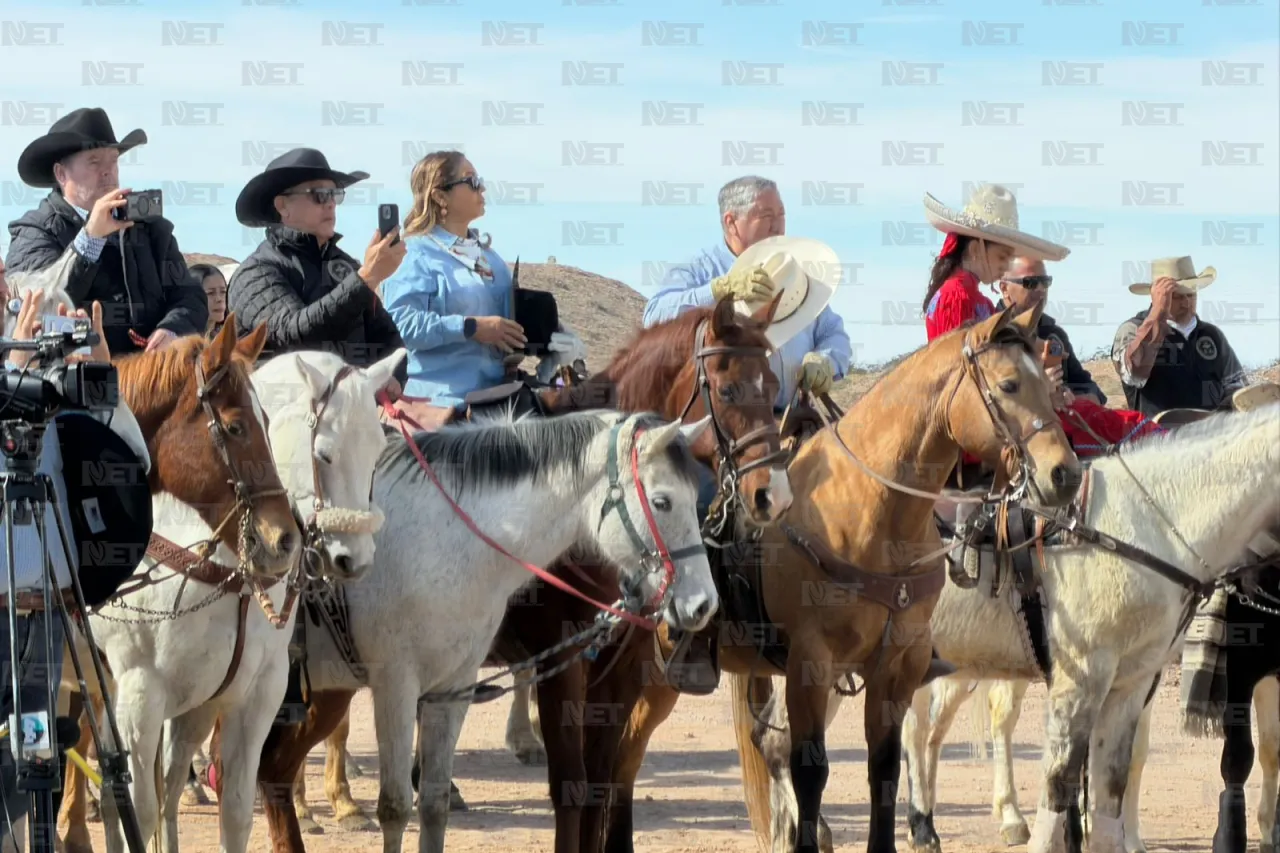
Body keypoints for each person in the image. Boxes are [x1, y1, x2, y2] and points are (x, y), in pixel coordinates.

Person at [1, 288, 150, 847]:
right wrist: (13, 372)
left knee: (34, 747)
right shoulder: (12, 380)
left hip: (46, 619)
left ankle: (36, 838)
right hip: (0, 611)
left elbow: (135, 462)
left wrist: (100, 376)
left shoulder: (56, 403)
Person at [922, 184, 1163, 459]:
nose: (1004, 265)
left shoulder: (978, 300)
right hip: (977, 427)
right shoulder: (957, 296)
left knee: (1095, 419)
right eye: (1002, 257)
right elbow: (965, 378)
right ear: (977, 247)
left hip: (992, 414)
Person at [379, 150, 586, 428]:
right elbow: (401, 327)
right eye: (472, 181)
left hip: (500, 402)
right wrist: (473, 327)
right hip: (441, 411)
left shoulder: (493, 260)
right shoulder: (415, 253)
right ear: (440, 196)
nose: (482, 187)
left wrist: (553, 341)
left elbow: (507, 326)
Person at [5, 107, 207, 356]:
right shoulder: (34, 231)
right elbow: (40, 306)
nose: (107, 170)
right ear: (61, 174)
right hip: (74, 381)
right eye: (94, 161)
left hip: (153, 379)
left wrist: (173, 329)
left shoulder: (150, 228)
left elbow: (190, 296)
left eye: (113, 160)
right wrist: (90, 239)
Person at [642, 175, 852, 409]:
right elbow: (654, 316)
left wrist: (825, 360)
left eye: (781, 214)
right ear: (731, 222)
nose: (778, 225)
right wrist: (719, 290)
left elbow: (834, 332)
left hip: (798, 421)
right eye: (766, 216)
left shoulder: (794, 272)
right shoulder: (701, 270)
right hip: (728, 432)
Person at [226, 148, 408, 395]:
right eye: (320, 195)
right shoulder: (256, 271)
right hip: (280, 424)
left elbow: (387, 338)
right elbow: (295, 334)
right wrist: (367, 278)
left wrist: (393, 376)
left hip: (352, 416)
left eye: (335, 194)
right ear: (282, 206)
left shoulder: (346, 267)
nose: (331, 203)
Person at [1111, 256, 1250, 417]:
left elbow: (1237, 387)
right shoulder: (1132, 329)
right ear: (1156, 297)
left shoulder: (1212, 335)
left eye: (1191, 295)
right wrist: (1158, 314)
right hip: (1158, 438)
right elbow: (1134, 374)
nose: (1186, 303)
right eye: (1177, 297)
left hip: (1212, 437)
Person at [994, 257, 1106, 405]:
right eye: (1031, 283)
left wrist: (1070, 396)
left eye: (1045, 282)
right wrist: (1040, 390)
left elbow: (1088, 387)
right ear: (1004, 288)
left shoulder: (1054, 333)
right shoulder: (991, 334)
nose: (1040, 289)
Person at [189, 263, 227, 337]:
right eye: (210, 293)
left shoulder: (226, 338)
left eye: (223, 292)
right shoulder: (179, 342)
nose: (219, 299)